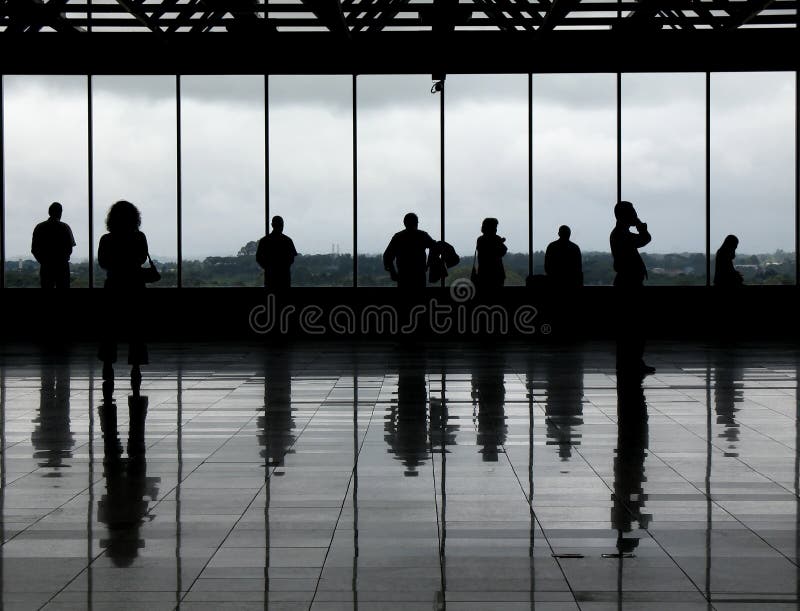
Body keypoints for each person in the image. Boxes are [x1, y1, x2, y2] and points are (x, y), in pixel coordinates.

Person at [97, 200, 151, 396]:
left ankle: (108, 365)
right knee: (136, 330)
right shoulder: (139, 238)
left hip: (113, 286)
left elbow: (103, 262)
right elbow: (142, 258)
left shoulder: (106, 240)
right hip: (135, 287)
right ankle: (135, 367)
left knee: (109, 329)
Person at [610, 201, 654, 375]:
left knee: (630, 326)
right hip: (629, 285)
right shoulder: (622, 235)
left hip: (627, 283)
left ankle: (631, 361)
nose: (635, 215)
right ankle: (633, 361)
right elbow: (645, 239)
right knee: (634, 326)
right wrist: (641, 227)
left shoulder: (620, 234)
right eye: (633, 213)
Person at [383, 213, 437, 290]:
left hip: (403, 275)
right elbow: (434, 247)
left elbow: (387, 256)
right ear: (416, 223)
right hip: (419, 275)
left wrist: (392, 272)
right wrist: (428, 264)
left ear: (404, 223)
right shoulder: (422, 235)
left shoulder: (398, 237)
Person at [31, 202, 76, 289]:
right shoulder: (65, 227)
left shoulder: (39, 227)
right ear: (60, 213)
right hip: (62, 267)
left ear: (49, 212)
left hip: (46, 268)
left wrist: (43, 262)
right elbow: (70, 248)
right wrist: (63, 259)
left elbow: (34, 249)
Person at [256, 216, 298, 290]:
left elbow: (259, 259)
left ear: (272, 225)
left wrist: (268, 268)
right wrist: (283, 267)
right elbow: (292, 259)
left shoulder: (264, 241)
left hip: (270, 278)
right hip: (284, 278)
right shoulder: (287, 240)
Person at [474, 217, 507, 291]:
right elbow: (502, 252)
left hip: (483, 273)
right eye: (495, 227)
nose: (496, 229)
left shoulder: (480, 239)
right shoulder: (497, 239)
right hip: (497, 273)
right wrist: (500, 242)